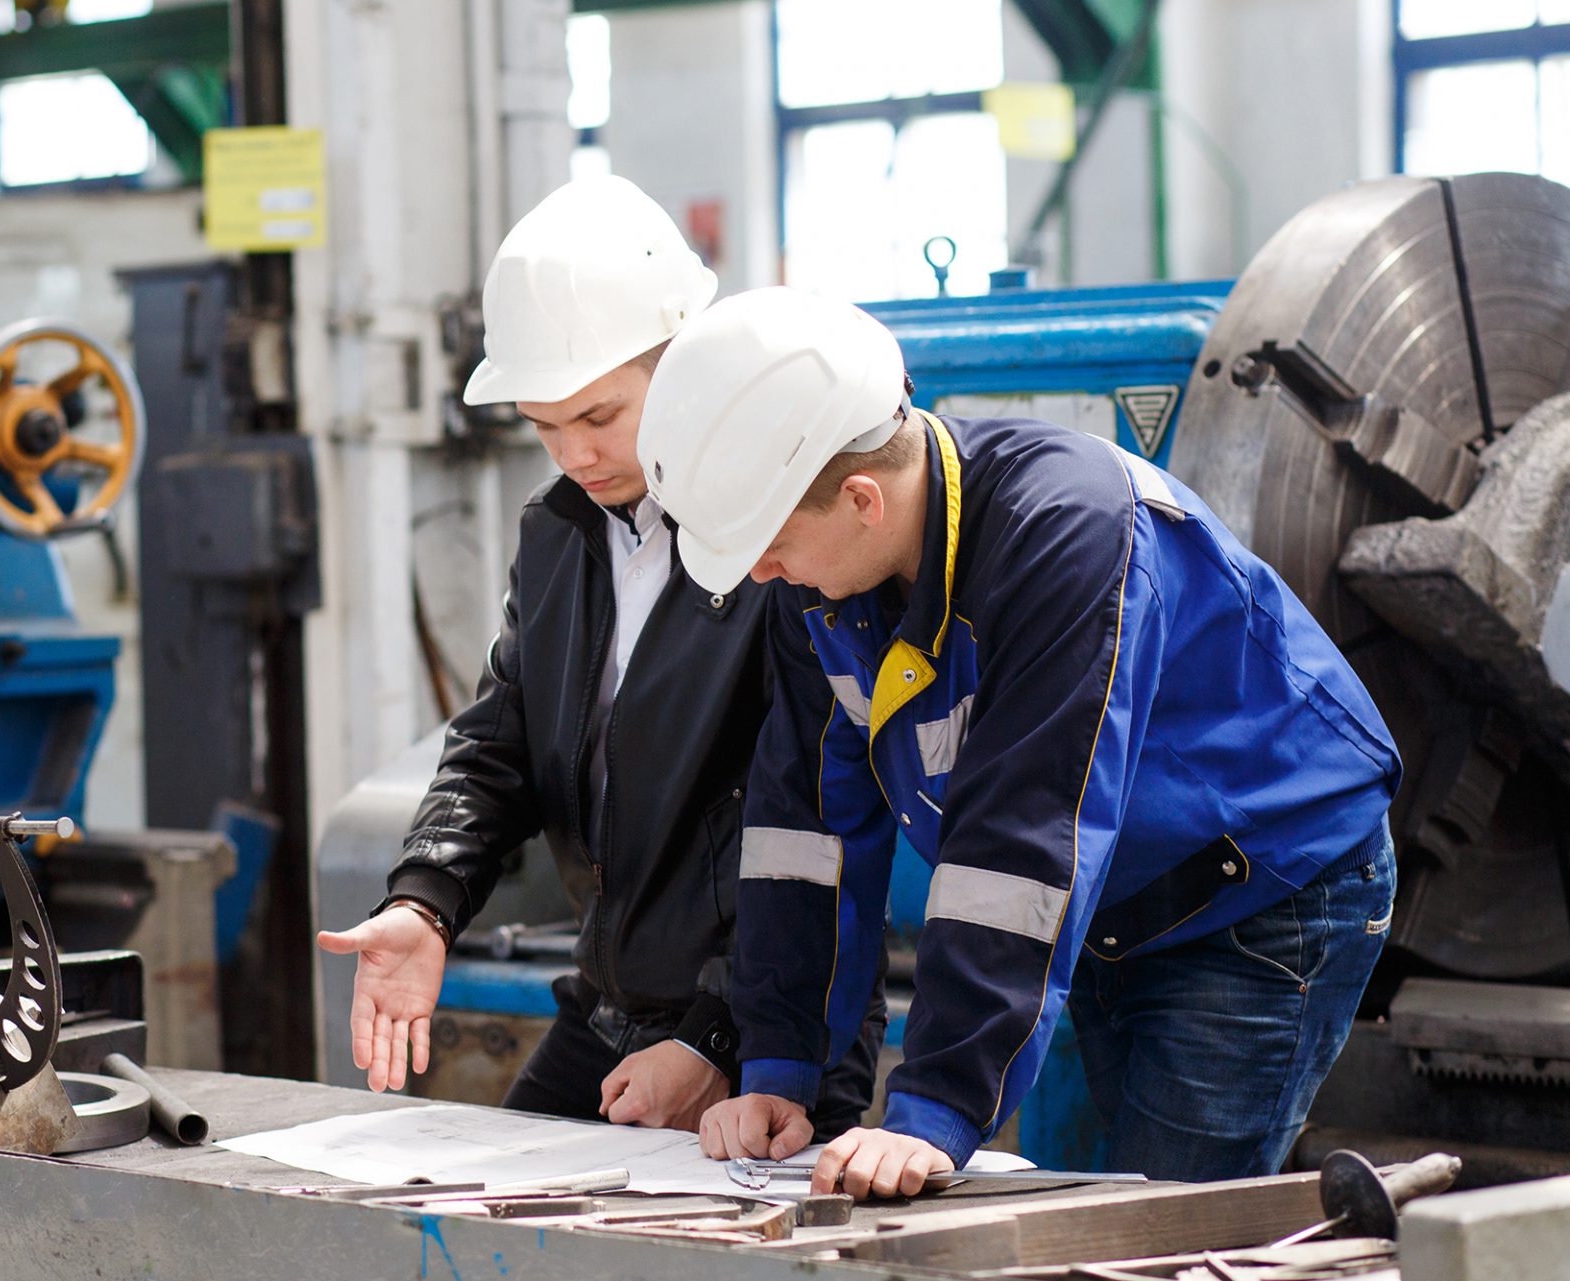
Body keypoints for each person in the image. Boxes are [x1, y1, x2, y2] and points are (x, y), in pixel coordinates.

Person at [635, 287, 1400, 1197]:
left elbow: (1020, 844)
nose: (761, 572)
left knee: (1162, 1233)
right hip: (1123, 900)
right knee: (1110, 1214)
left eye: (769, 543)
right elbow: (806, 825)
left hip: (1261, 888)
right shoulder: (825, 579)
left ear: (862, 498)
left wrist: (932, 1111)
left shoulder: (1067, 535)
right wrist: (780, 1066)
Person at [317, 184, 884, 1136]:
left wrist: (713, 1036)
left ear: (689, 360)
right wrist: (425, 900)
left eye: (599, 415)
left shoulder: (784, 537)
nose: (573, 452)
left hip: (765, 1020)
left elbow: (820, 812)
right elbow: (498, 747)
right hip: (608, 1006)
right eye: (543, 425)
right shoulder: (561, 533)